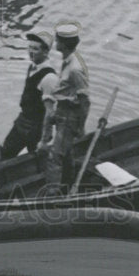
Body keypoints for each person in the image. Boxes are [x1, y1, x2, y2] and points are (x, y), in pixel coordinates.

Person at [38, 22, 90, 192]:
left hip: (69, 115)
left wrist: (81, 126)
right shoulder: (69, 60)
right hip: (63, 111)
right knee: (66, 155)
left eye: (58, 40)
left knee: (55, 158)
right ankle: (68, 187)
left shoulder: (74, 68)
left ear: (63, 44)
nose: (55, 43)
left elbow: (84, 100)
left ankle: (52, 195)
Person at [0, 28, 60, 161]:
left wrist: (44, 141)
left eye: (35, 49)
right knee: (5, 151)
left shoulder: (49, 78)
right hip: (23, 122)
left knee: (38, 160)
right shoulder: (32, 67)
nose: (31, 52)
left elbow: (50, 113)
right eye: (30, 47)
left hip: (36, 128)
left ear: (45, 52)